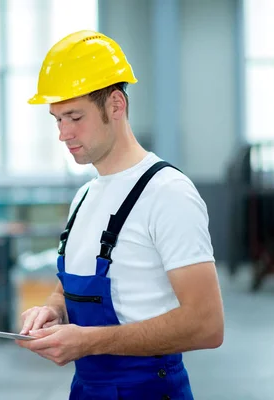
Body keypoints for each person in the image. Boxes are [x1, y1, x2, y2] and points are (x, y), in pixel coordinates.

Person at [15, 30, 224, 399]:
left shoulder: (168, 193)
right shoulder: (84, 197)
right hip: (87, 389)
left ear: (115, 105)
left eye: (74, 116)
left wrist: (90, 342)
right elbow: (71, 289)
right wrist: (52, 309)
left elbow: (207, 325)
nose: (63, 133)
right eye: (57, 119)